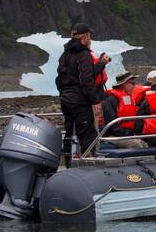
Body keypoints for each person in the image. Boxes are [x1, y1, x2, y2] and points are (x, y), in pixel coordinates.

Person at [56, 22, 109, 164]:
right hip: (80, 101)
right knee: (87, 133)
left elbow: (59, 79)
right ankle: (88, 162)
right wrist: (95, 101)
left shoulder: (64, 54)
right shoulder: (84, 54)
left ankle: (68, 162)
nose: (90, 39)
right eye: (89, 36)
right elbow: (87, 80)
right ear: (84, 37)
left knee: (69, 132)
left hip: (66, 99)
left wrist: (63, 94)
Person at [101, 72, 147, 145]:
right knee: (137, 145)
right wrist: (126, 134)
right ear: (123, 84)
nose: (134, 86)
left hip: (127, 134)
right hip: (114, 136)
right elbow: (112, 124)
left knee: (145, 144)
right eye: (132, 83)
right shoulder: (111, 99)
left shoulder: (129, 97)